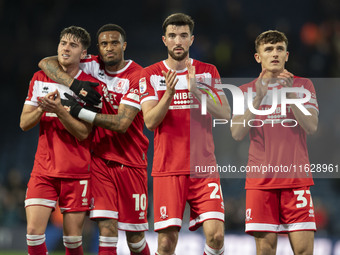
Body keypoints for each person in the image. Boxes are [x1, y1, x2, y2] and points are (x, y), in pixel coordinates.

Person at [39, 24, 150, 255]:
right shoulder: (93, 64)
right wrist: (74, 84)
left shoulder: (138, 75)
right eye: (104, 44)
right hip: (99, 161)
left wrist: (80, 112)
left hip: (131, 163)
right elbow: (46, 63)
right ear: (98, 48)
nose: (109, 48)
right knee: (106, 227)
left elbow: (121, 123)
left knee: (135, 238)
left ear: (124, 45)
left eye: (115, 43)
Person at [139, 13, 231, 255]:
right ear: (164, 40)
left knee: (217, 236)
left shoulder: (207, 72)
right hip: (168, 169)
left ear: (191, 39)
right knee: (166, 244)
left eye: (182, 35)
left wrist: (196, 91)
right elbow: (150, 121)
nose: (177, 40)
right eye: (172, 36)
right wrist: (168, 94)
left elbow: (225, 113)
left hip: (204, 168)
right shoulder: (151, 74)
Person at [230, 30, 319, 255]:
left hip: (296, 180)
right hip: (260, 183)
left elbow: (312, 126)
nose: (275, 54)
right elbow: (237, 132)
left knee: (303, 251)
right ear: (258, 57)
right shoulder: (245, 91)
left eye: (279, 49)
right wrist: (259, 98)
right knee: (266, 250)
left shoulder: (303, 85)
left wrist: (289, 94)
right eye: (268, 49)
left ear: (287, 55)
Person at [20, 26, 99, 255]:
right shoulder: (39, 78)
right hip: (43, 169)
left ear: (83, 54)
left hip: (76, 171)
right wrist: (42, 108)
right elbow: (24, 123)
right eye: (63, 43)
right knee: (34, 233)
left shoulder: (90, 87)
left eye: (73, 45)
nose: (66, 48)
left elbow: (84, 133)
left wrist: (61, 110)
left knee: (72, 240)